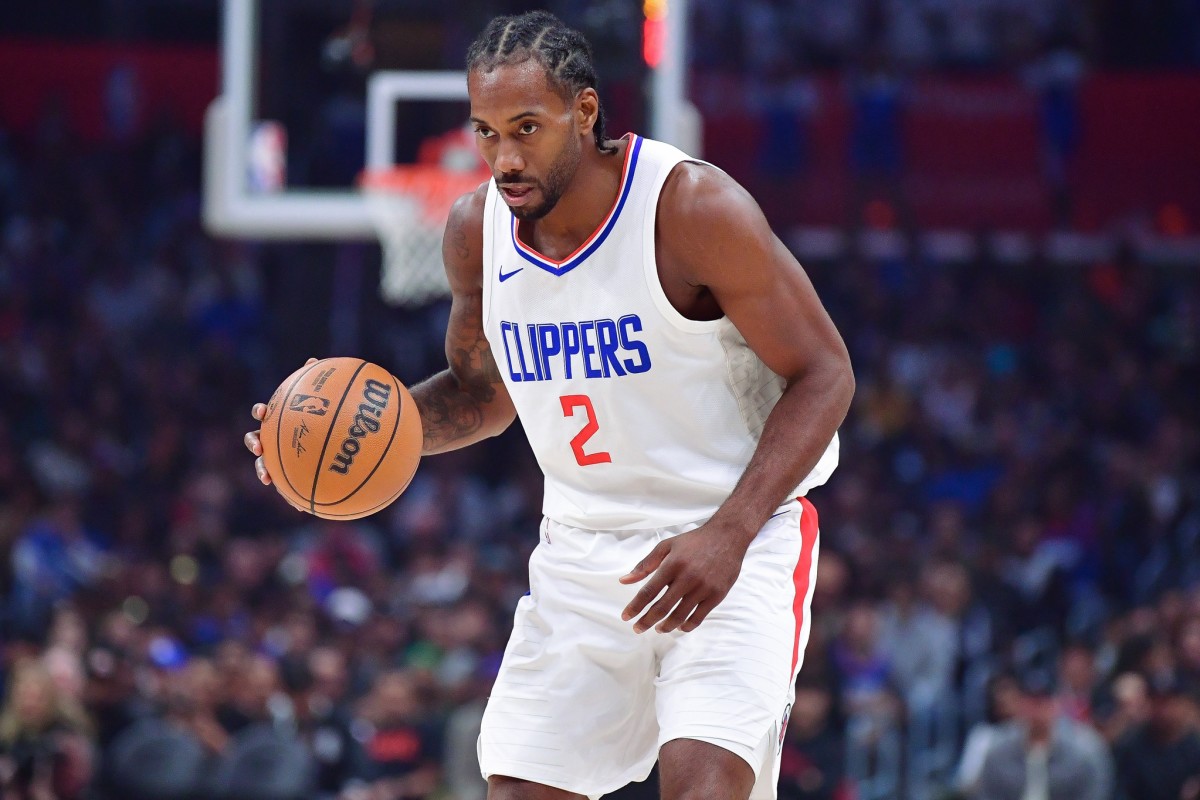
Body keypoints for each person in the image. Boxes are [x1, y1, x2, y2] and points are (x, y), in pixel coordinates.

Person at [245, 10, 853, 800]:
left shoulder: (691, 209)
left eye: (526, 128)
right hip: (581, 555)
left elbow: (826, 373)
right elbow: (481, 394)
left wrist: (730, 532)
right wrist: (351, 436)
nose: (504, 157)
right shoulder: (476, 231)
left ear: (584, 112)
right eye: (486, 132)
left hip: (729, 538)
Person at [973, 666, 1113, 800]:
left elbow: (1095, 794)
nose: (1036, 710)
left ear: (1056, 704)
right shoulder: (999, 750)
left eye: (1042, 702)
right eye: (1031, 701)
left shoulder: (1085, 750)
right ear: (1020, 703)